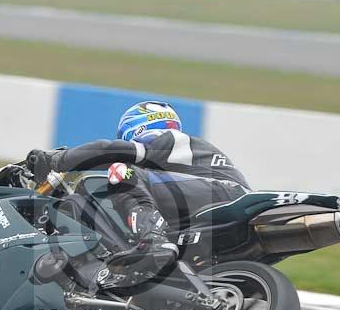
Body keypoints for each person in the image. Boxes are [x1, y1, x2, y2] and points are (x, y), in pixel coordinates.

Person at [27, 101, 250, 291]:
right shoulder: (180, 158)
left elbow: (106, 150)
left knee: (121, 171)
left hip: (222, 194)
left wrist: (55, 160)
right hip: (216, 205)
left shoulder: (166, 138)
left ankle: (153, 240)